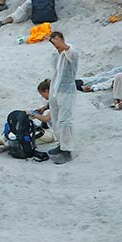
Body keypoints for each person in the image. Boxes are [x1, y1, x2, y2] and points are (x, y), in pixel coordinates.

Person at [46, 32, 79, 164]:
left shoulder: (72, 52)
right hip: (55, 89)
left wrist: (60, 44)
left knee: (65, 120)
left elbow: (69, 51)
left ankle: (68, 149)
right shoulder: (55, 54)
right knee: (55, 118)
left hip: (67, 90)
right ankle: (61, 144)